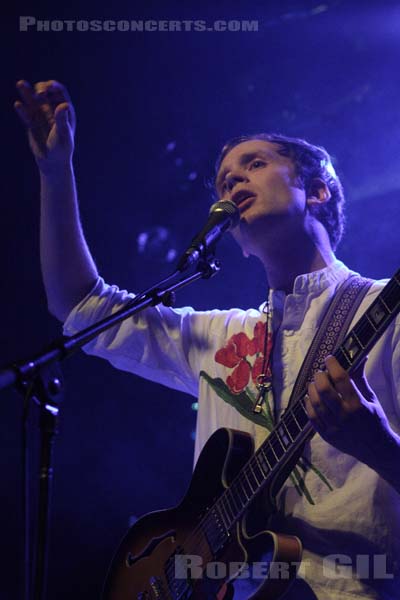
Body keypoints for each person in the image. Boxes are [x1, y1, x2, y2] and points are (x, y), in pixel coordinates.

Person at [15, 79, 400, 600]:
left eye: (255, 164)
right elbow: (81, 307)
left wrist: (379, 446)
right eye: (223, 181)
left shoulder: (388, 312)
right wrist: (55, 172)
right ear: (235, 243)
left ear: (317, 190)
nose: (233, 179)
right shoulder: (226, 335)